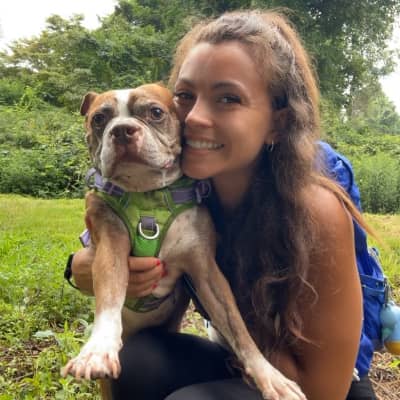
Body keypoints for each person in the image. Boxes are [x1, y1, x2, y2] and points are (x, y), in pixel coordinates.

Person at [70, 9, 377, 400]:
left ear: (277, 123)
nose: (195, 116)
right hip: (240, 360)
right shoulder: (183, 193)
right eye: (185, 96)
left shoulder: (314, 209)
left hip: (320, 387)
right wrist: (82, 267)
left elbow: (326, 388)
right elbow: (110, 245)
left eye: (228, 99)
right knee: (136, 362)